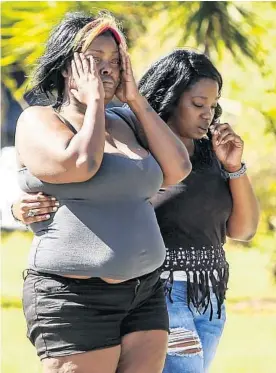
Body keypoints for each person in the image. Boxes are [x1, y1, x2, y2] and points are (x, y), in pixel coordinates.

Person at [13, 49, 259, 373]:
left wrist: (234, 167)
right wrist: (21, 209)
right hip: (161, 290)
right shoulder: (138, 148)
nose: (208, 116)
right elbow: (85, 192)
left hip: (208, 297)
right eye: (198, 105)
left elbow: (243, 230)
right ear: (171, 98)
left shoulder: (208, 153)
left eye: (213, 106)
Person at [14, 12, 192, 373]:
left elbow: (177, 170)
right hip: (75, 298)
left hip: (144, 293)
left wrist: (136, 101)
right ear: (67, 69)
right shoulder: (39, 120)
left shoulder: (127, 121)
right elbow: (81, 163)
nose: (107, 69)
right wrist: (95, 102)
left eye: (115, 60)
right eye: (94, 61)